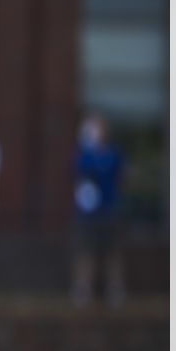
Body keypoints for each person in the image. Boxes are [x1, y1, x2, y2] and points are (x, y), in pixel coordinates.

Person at [71, 112, 127, 308]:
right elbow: (78, 173)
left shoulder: (114, 153)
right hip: (87, 213)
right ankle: (83, 289)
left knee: (113, 252)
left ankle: (115, 289)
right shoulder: (84, 153)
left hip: (110, 209)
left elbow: (121, 178)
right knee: (85, 251)